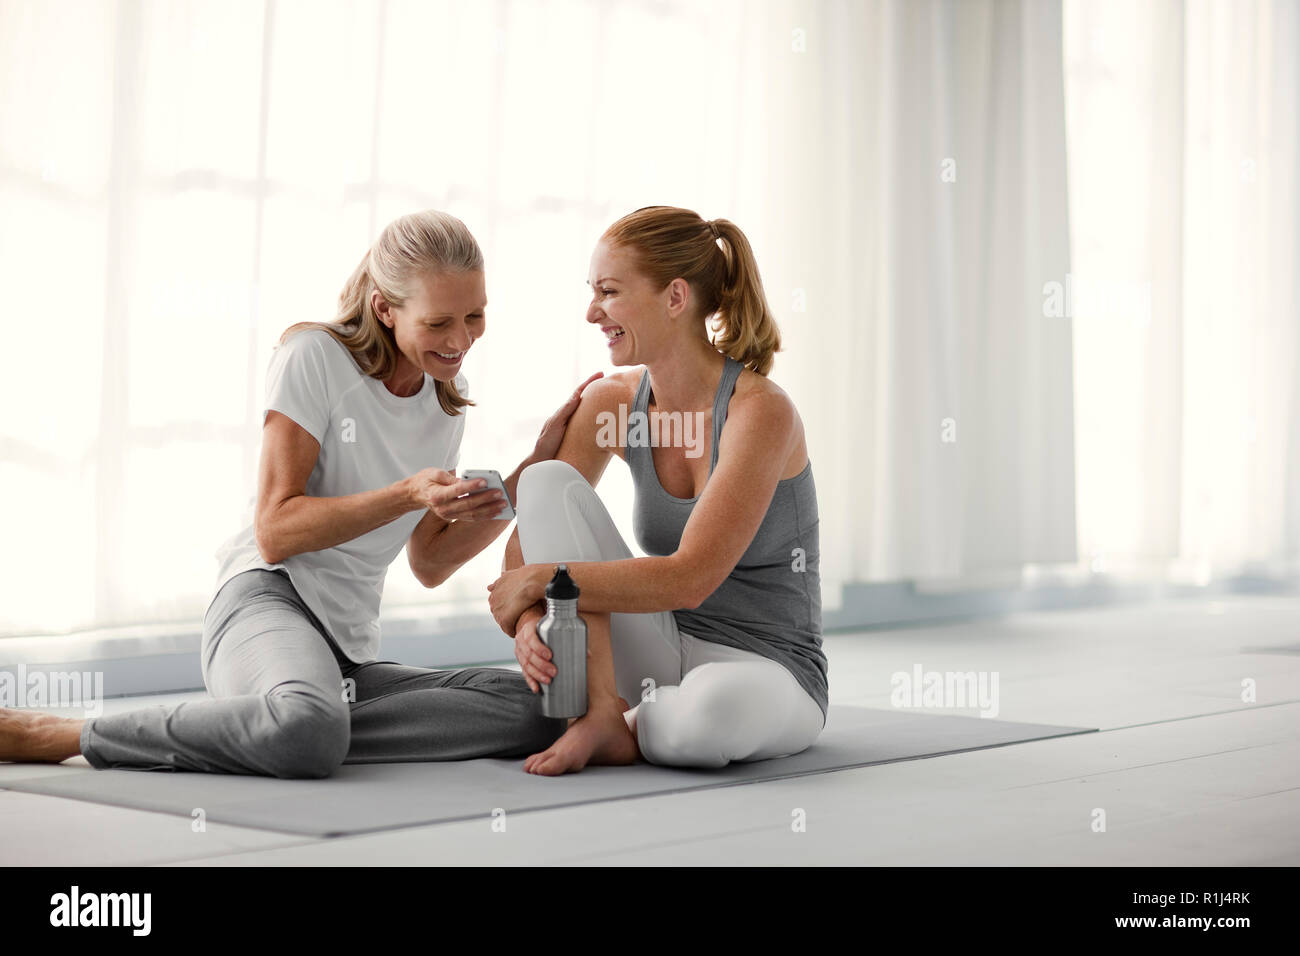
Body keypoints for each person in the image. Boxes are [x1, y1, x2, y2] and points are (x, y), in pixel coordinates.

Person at [0, 209, 599, 778]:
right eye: (438, 323)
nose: (461, 339)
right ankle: (69, 734)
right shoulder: (315, 358)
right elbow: (276, 530)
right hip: (266, 601)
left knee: (545, 704)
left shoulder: (445, 399)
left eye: (474, 316)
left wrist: (528, 473)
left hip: (349, 654)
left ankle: (287, 721)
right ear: (384, 309)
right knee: (309, 729)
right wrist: (407, 493)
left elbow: (430, 563)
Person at [487, 206, 828, 775]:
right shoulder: (613, 404)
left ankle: (627, 724)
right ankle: (601, 712)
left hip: (768, 669)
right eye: (593, 292)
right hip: (659, 644)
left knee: (705, 719)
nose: (593, 311)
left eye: (610, 292)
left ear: (675, 298)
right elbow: (530, 543)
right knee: (547, 478)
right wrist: (527, 623)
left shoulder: (760, 411)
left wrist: (538, 585)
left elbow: (690, 579)